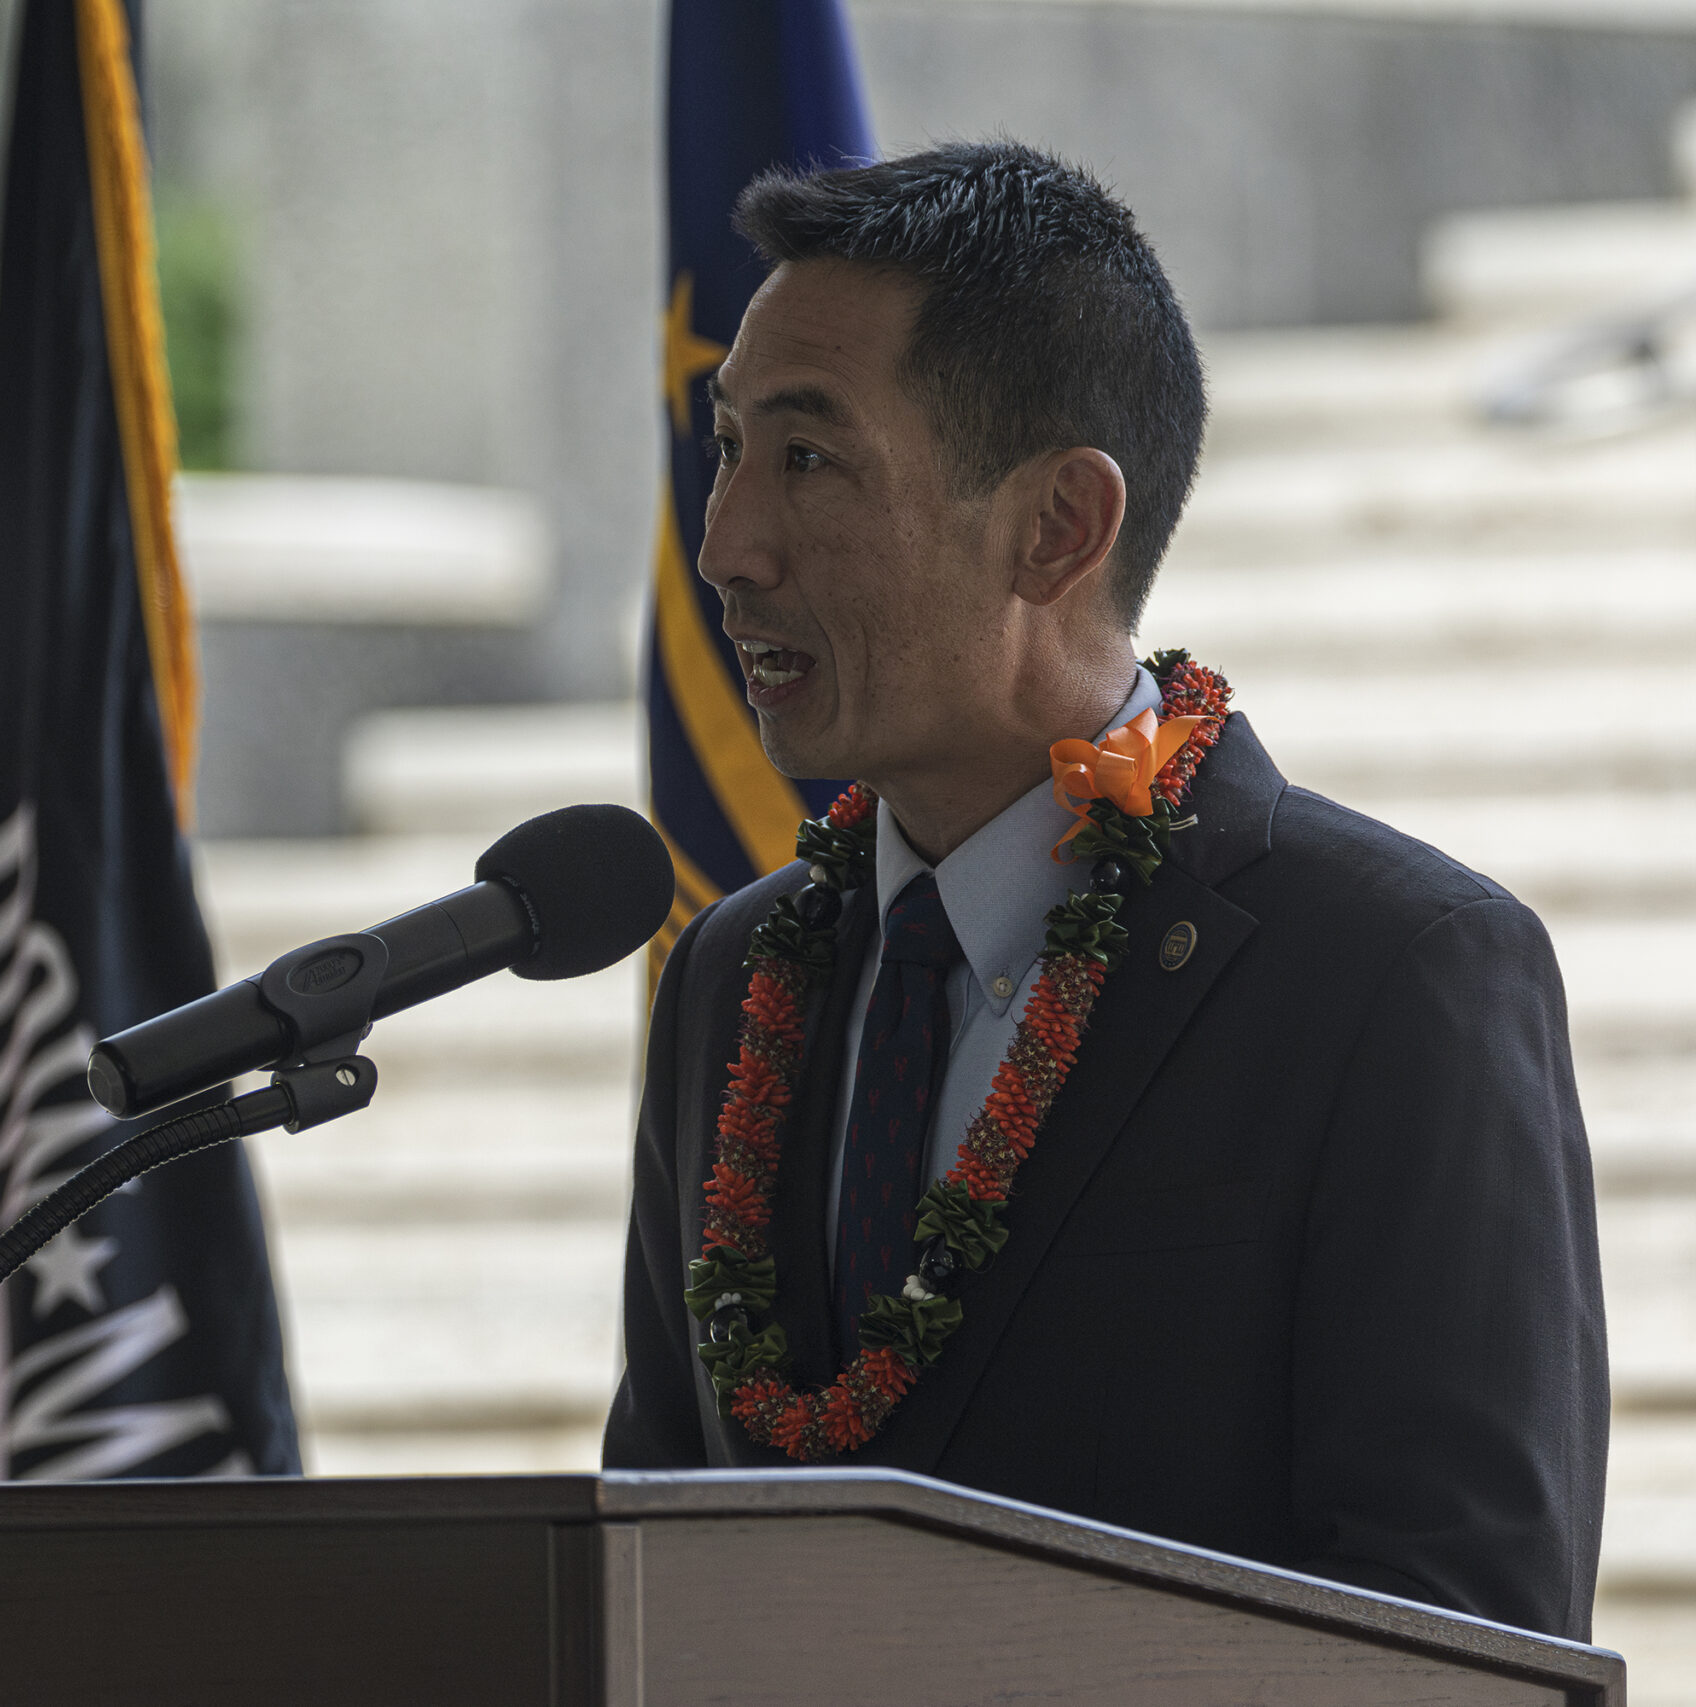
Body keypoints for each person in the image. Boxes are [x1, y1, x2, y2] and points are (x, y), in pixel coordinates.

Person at [604, 141, 1607, 1642]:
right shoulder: (733, 977)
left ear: (1060, 526)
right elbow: (650, 1579)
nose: (726, 545)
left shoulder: (1393, 976)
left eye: (808, 459)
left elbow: (1464, 1636)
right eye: (728, 446)